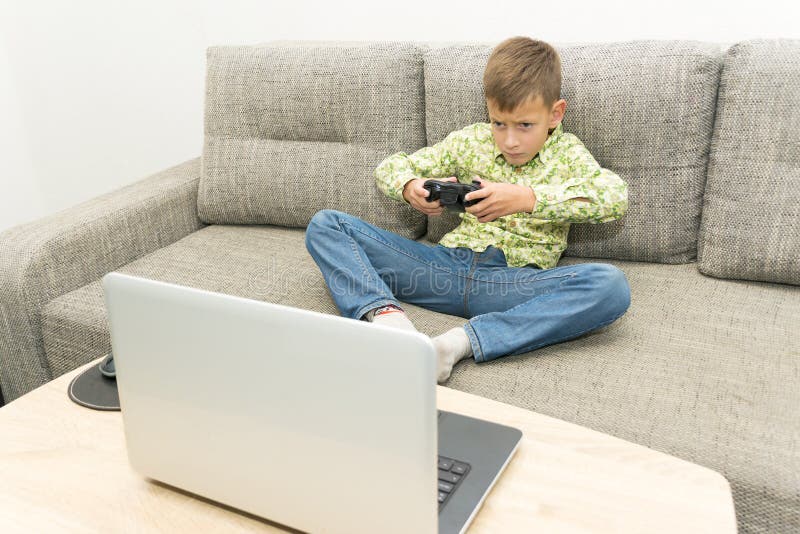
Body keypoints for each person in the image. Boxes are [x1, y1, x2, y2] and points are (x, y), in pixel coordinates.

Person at [305, 36, 631, 383]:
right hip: (438, 272)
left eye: (525, 125)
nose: (510, 140)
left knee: (611, 286)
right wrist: (409, 187)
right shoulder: (470, 141)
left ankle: (459, 343)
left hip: (510, 285)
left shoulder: (568, 153)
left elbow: (614, 197)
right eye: (499, 123)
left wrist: (526, 198)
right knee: (326, 225)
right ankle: (390, 323)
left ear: (555, 114)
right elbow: (392, 166)